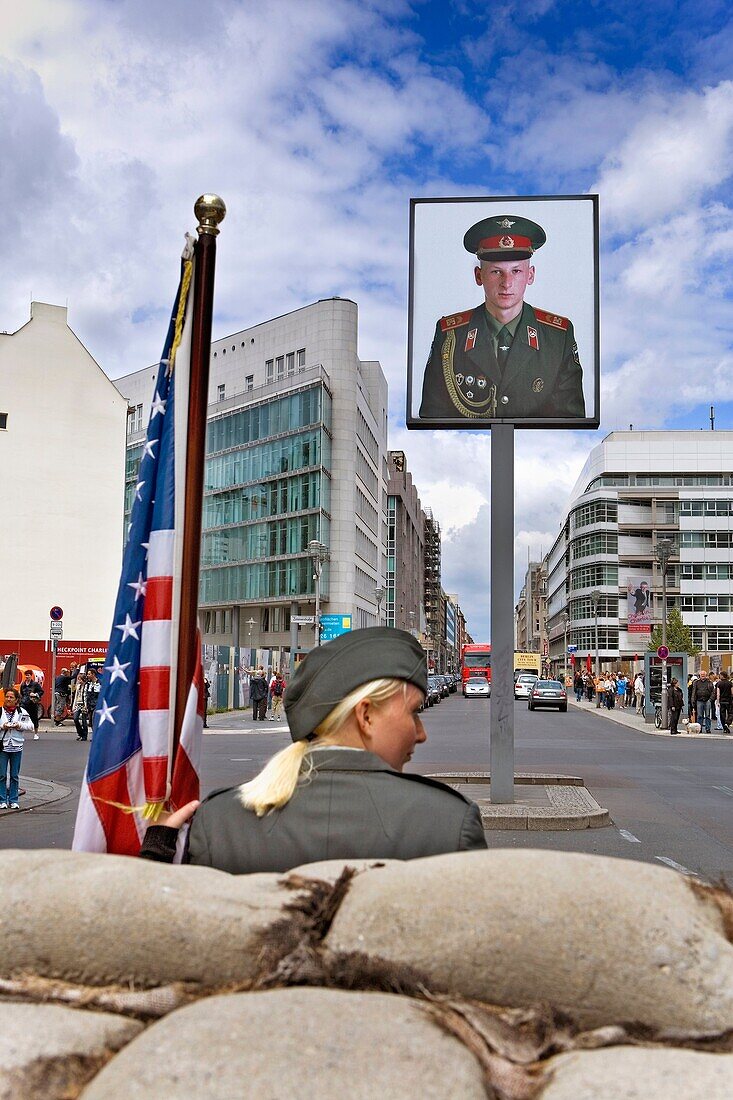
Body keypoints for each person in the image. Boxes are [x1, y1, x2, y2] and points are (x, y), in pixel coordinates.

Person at [140, 627, 487, 872]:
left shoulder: (219, 821)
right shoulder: (448, 823)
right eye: (413, 712)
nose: (421, 733)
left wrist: (158, 854)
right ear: (365, 715)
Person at [419, 215, 585, 421]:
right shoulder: (450, 334)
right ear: (478, 276)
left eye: (516, 271)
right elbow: (433, 416)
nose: (507, 283)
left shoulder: (558, 336)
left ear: (530, 275)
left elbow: (570, 421)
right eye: (497, 272)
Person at [0, 688, 33, 809]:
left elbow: (30, 726)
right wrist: (2, 726)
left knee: (14, 775)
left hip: (16, 747)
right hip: (2, 748)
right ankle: (2, 800)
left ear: (16, 700)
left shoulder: (21, 711)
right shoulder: (0, 711)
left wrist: (19, 725)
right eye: (7, 697)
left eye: (11, 697)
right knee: (2, 775)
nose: (8, 699)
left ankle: (13, 800)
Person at [19, 669, 43, 740]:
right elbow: (21, 694)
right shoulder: (23, 684)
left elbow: (41, 691)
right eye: (26, 675)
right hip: (24, 704)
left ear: (31, 676)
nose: (27, 677)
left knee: (34, 718)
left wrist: (35, 694)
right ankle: (21, 734)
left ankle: (36, 733)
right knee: (22, 718)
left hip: (32, 703)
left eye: (28, 675)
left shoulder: (35, 684)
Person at [691, 670, 714, 734]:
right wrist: (693, 700)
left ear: (706, 675)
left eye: (704, 675)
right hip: (699, 700)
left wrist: (710, 699)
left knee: (708, 716)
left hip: (707, 700)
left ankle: (708, 728)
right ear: (699, 675)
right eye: (701, 675)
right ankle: (699, 729)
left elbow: (713, 692)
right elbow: (694, 692)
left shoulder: (709, 682)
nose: (703, 676)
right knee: (699, 716)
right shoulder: (696, 682)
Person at [72, 673, 88, 741]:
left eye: (80, 679)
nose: (79, 681)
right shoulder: (78, 686)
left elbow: (86, 696)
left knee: (84, 721)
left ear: (83, 679)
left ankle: (84, 735)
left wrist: (86, 706)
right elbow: (76, 696)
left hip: (84, 704)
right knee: (75, 719)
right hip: (78, 704)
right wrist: (74, 705)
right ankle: (80, 733)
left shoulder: (87, 686)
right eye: (78, 679)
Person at [85, 669, 100, 734]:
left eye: (89, 674)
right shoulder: (88, 684)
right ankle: (95, 734)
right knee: (90, 721)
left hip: (97, 705)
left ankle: (95, 736)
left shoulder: (100, 683)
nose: (87, 676)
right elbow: (85, 695)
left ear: (93, 674)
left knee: (94, 720)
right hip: (90, 705)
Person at [716, 670, 732, 735]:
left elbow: (718, 694)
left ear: (722, 676)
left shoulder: (719, 683)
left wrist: (717, 701)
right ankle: (727, 723)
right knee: (730, 713)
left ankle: (724, 727)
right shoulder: (730, 683)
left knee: (722, 714)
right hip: (729, 701)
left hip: (722, 701)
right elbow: (732, 692)